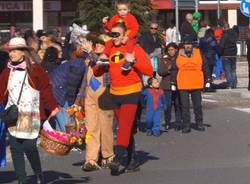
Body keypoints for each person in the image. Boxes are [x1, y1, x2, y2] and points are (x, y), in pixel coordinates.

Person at [93, 22, 153, 175]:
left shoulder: (134, 49)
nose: (114, 37)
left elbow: (149, 70)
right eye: (112, 34)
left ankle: (118, 159)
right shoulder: (110, 50)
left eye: (117, 34)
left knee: (124, 127)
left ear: (125, 35)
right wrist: (99, 63)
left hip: (131, 92)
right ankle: (132, 160)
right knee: (127, 129)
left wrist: (134, 61)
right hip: (115, 94)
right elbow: (97, 73)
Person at [0, 37, 59, 184]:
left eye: (14, 51)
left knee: (29, 146)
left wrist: (52, 106)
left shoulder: (35, 69)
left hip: (31, 114)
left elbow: (45, 88)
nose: (11, 54)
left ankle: (38, 173)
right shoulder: (7, 70)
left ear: (23, 52)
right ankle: (22, 180)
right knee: (15, 147)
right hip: (13, 114)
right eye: (10, 51)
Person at [79, 34, 115, 172]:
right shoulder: (90, 59)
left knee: (106, 128)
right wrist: (79, 99)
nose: (98, 45)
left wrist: (90, 52)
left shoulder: (108, 58)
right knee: (91, 127)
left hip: (105, 95)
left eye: (101, 43)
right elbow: (84, 81)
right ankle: (91, 159)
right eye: (97, 43)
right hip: (90, 96)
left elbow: (102, 65)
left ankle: (108, 156)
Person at [171, 35, 210, 133]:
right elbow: (174, 69)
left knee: (197, 105)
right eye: (186, 44)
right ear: (183, 45)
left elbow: (205, 66)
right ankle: (186, 125)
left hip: (196, 83)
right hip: (183, 84)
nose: (188, 46)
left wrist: (208, 80)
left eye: (190, 44)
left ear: (193, 45)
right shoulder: (178, 54)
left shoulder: (199, 53)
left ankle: (199, 123)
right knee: (185, 106)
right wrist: (173, 82)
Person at [158, 42, 182, 131]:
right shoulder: (164, 59)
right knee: (167, 105)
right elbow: (160, 72)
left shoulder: (179, 58)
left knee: (178, 104)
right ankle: (167, 122)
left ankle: (178, 122)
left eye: (172, 49)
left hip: (177, 84)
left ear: (176, 50)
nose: (170, 51)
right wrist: (167, 69)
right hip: (166, 85)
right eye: (169, 50)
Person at [219, 23, 238, 89]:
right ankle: (234, 84)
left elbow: (221, 45)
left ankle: (229, 84)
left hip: (226, 54)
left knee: (227, 70)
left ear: (224, 28)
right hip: (233, 54)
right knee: (233, 70)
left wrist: (220, 53)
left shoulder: (225, 34)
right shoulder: (234, 34)